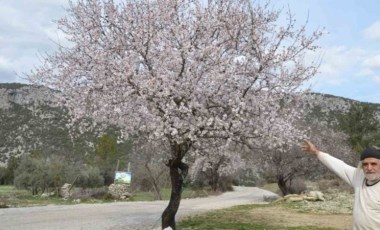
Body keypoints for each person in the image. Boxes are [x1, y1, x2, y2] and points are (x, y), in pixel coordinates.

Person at [302, 140, 380, 230]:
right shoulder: (359, 177)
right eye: (365, 164)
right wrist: (316, 152)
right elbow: (339, 166)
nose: (369, 168)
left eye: (373, 164)